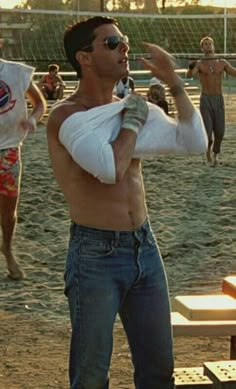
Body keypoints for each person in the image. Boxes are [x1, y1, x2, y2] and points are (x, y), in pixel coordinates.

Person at [46, 16, 207, 389]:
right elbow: (109, 169)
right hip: (95, 254)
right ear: (84, 57)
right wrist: (133, 123)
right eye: (113, 42)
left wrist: (176, 83)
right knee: (90, 377)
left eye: (125, 42)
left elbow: (193, 142)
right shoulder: (67, 116)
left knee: (158, 370)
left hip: (144, 247)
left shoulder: (127, 108)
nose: (124, 49)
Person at [0, 59, 46, 280]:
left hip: (8, 150)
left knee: (9, 212)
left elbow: (39, 103)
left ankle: (7, 249)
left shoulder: (16, 72)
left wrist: (33, 120)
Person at [187, 36, 236, 166]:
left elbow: (234, 72)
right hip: (206, 99)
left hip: (218, 99)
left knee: (220, 131)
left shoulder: (222, 62)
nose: (208, 46)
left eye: (210, 44)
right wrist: (191, 66)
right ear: (202, 48)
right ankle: (208, 152)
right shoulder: (199, 64)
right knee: (208, 133)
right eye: (205, 44)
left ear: (213, 47)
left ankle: (216, 153)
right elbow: (189, 75)